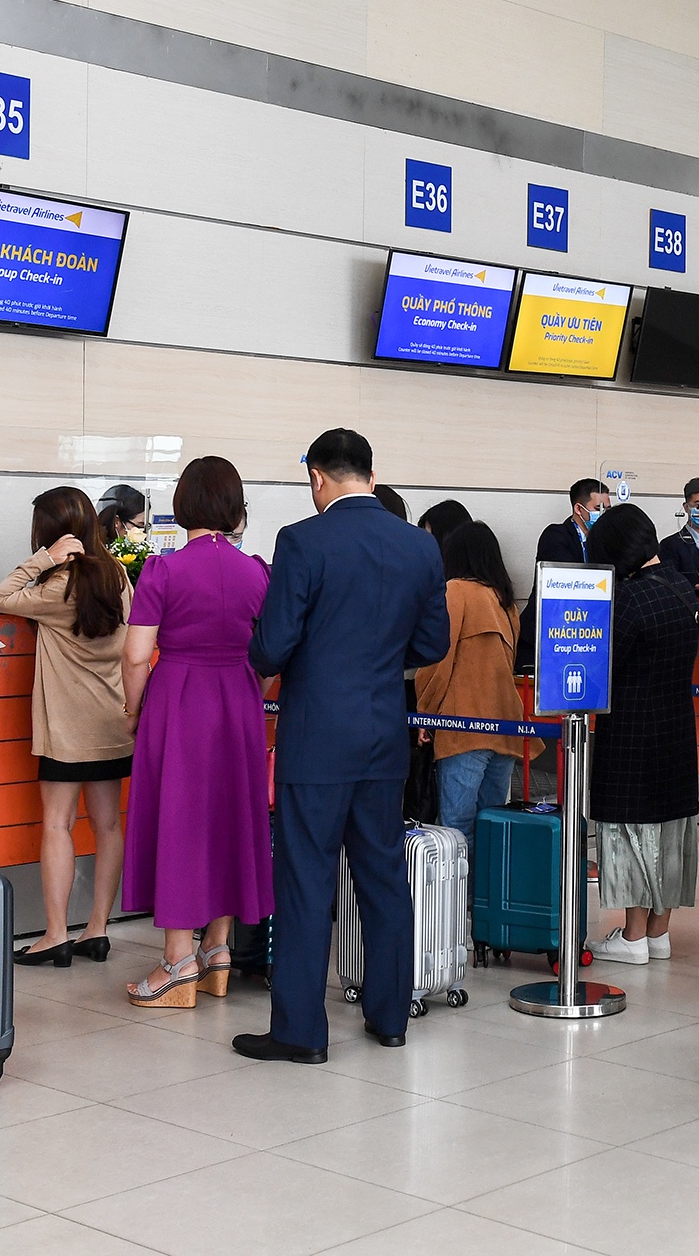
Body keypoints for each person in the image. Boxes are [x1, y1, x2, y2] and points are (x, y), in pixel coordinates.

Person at [236, 429, 449, 1063]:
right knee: (383, 875)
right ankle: (390, 1018)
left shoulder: (302, 540)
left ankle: (300, 1032)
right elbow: (431, 644)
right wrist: (377, 664)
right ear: (371, 475)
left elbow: (271, 648)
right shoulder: (417, 546)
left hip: (317, 737)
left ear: (317, 478)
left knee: (306, 879)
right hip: (384, 733)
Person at [117, 457, 273, 1008]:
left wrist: (133, 710)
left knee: (180, 820)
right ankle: (218, 950)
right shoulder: (257, 570)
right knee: (230, 816)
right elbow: (271, 653)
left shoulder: (164, 570)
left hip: (179, 699)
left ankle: (178, 958)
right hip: (239, 699)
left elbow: (136, 656)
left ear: (183, 505)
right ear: (234, 507)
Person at [0, 487, 134, 968]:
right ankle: (97, 929)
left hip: (67, 729)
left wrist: (42, 559)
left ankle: (54, 934)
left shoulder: (56, 588)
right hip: (113, 720)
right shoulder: (117, 577)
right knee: (109, 826)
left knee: (58, 823)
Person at [583, 504, 699, 964]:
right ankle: (659, 933)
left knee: (631, 826)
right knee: (672, 826)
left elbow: (604, 662)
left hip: (631, 728)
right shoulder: (680, 586)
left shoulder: (628, 599)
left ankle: (632, 936)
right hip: (676, 723)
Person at [416, 521, 539, 840]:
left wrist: (424, 713)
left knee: (456, 827)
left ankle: (461, 892)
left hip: (465, 727)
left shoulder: (455, 590)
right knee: (492, 826)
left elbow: (437, 661)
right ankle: (487, 891)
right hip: (505, 727)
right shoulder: (505, 599)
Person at [517, 478, 612, 672]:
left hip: (587, 635)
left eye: (608, 510)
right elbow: (570, 579)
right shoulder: (556, 535)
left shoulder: (606, 542)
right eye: (598, 508)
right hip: (549, 634)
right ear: (579, 509)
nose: (605, 515)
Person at [657, 477, 699, 592]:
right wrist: (694, 589)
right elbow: (667, 585)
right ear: (686, 507)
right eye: (698, 505)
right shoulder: (670, 545)